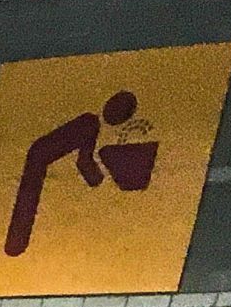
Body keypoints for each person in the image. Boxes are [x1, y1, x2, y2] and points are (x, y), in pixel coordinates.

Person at [7, 90, 137, 257]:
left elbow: (84, 162)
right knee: (25, 208)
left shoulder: (89, 122)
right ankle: (16, 244)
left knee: (26, 205)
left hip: (39, 161)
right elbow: (84, 163)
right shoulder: (90, 123)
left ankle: (15, 244)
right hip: (40, 162)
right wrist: (98, 179)